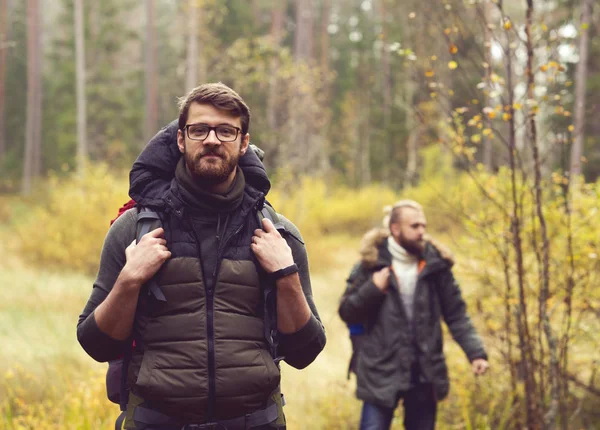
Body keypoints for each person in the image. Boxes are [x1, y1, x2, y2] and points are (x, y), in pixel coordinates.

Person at [77, 83, 326, 429]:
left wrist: (286, 275)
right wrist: (129, 280)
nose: (212, 140)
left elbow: (305, 352)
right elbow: (96, 345)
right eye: (199, 129)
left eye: (226, 131)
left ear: (243, 142)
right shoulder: (134, 228)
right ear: (181, 140)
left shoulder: (277, 233)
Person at [338, 200, 489, 430]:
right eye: (415, 226)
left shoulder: (436, 265)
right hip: (381, 370)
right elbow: (347, 311)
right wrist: (373, 289)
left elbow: (456, 314)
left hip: (424, 371)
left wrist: (476, 353)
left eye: (423, 226)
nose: (422, 232)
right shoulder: (370, 264)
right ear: (396, 229)